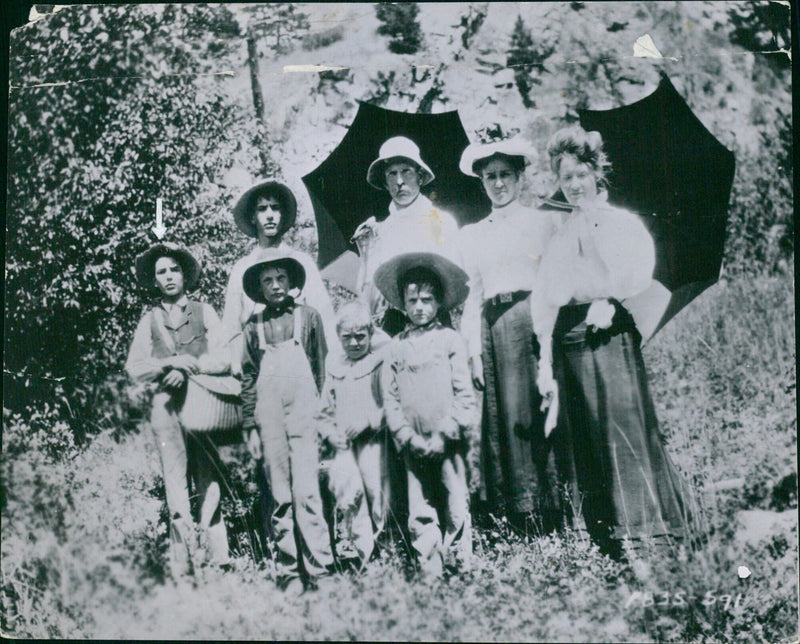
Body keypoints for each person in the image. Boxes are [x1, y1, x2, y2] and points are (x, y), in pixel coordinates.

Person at [531, 126, 697, 557]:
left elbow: (637, 266)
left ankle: (650, 537)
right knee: (586, 437)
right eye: (565, 178)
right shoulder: (561, 233)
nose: (573, 185)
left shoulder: (621, 221)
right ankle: (609, 539)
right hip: (570, 339)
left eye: (580, 175)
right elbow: (546, 297)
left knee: (622, 428)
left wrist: (611, 297)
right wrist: (545, 360)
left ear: (595, 174)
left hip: (608, 331)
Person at [457, 130, 561, 531]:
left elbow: (552, 281)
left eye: (505, 175)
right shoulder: (473, 234)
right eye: (489, 177)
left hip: (531, 321)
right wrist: (471, 351)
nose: (498, 184)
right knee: (499, 418)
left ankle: (551, 509)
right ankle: (516, 514)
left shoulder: (541, 223)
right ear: (481, 181)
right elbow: (472, 295)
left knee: (534, 410)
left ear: (519, 177)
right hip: (490, 327)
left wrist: (547, 337)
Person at [125, 243, 231, 577]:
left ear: (185, 274)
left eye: (174, 269)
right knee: (175, 486)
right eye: (161, 272)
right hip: (166, 409)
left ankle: (218, 561)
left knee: (209, 478)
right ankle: (184, 566)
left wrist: (190, 366)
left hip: (204, 404)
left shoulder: (204, 311)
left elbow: (225, 357)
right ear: (154, 281)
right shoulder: (150, 319)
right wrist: (169, 363)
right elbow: (135, 368)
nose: (169, 277)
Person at [239, 250, 333, 594]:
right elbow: (248, 379)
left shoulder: (309, 318)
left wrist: (325, 418)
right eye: (268, 281)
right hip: (269, 418)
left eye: (281, 278)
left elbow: (321, 369)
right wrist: (249, 426)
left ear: (291, 282)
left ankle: (320, 571)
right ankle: (290, 573)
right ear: (260, 288)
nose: (275, 285)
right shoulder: (253, 327)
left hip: (305, 413)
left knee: (307, 492)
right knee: (280, 495)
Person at [377, 252, 475, 577]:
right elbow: (389, 399)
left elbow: (464, 394)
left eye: (427, 300)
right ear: (403, 304)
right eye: (413, 300)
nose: (420, 307)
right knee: (420, 508)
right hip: (412, 444)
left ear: (439, 303)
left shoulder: (450, 340)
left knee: (455, 503)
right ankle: (429, 566)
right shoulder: (395, 347)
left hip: (446, 441)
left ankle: (459, 565)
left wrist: (444, 434)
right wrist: (406, 437)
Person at [222, 180, 337, 377]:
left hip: (302, 368)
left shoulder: (302, 263)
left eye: (275, 208)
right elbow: (231, 326)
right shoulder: (242, 268)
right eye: (262, 209)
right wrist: (236, 363)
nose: (269, 215)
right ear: (252, 216)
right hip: (258, 367)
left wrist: (332, 367)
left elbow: (325, 320)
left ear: (282, 214)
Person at [354, 136, 462, 337]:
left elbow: (454, 284)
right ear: (385, 183)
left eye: (406, 171)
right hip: (392, 327)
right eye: (392, 174)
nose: (399, 181)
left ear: (420, 177)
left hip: (434, 323)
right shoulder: (380, 231)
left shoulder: (440, 221)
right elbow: (368, 296)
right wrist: (367, 253)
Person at [316, 302, 390, 568]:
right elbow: (324, 409)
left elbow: (393, 404)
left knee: (378, 495)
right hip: (344, 445)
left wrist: (368, 421)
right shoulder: (335, 364)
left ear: (371, 334)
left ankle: (386, 555)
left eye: (361, 336)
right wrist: (330, 433)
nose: (355, 343)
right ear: (339, 337)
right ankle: (363, 557)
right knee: (352, 497)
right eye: (347, 337)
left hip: (374, 441)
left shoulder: (381, 359)